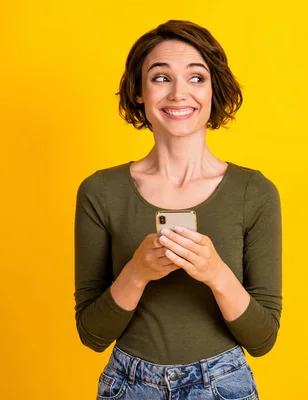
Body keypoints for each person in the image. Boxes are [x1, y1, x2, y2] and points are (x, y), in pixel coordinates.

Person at [74, 20, 282, 400]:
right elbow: (92, 334)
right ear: (139, 92)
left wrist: (215, 273)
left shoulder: (255, 193)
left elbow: (263, 338)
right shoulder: (100, 192)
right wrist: (137, 272)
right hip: (128, 384)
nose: (179, 93)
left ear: (214, 89)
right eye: (160, 78)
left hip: (224, 384)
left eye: (197, 77)